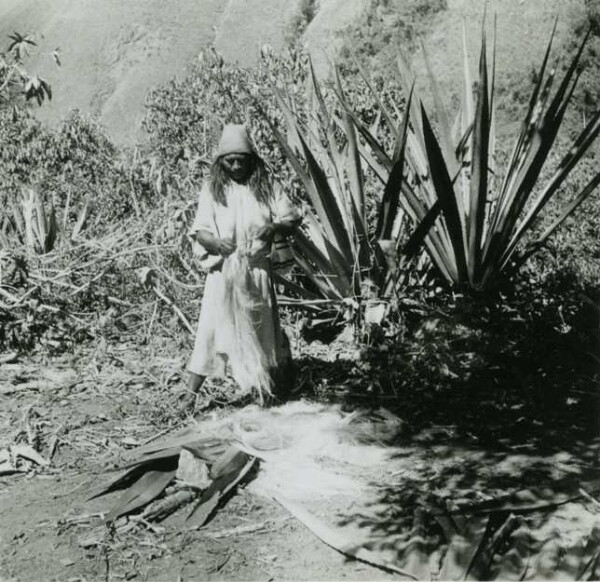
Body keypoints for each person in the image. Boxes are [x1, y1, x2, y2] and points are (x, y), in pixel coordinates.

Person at [183, 124, 300, 413]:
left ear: (252, 159)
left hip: (257, 271)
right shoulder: (213, 190)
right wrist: (216, 244)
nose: (235, 166)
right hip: (223, 275)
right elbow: (200, 230)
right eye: (229, 160)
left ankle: (272, 389)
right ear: (220, 161)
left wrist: (274, 227)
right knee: (211, 332)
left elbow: (292, 217)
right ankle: (188, 395)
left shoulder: (267, 186)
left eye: (241, 160)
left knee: (263, 332)